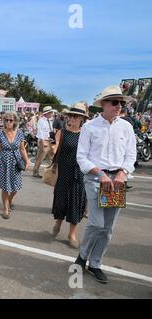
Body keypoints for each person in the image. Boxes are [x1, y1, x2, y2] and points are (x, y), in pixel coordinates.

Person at [74, 86, 136, 284]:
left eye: (122, 102)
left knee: (108, 228)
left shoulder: (126, 127)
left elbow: (131, 155)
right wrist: (99, 174)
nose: (119, 106)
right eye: (115, 102)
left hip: (117, 181)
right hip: (95, 178)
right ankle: (82, 256)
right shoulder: (90, 127)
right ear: (103, 104)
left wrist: (123, 172)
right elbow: (81, 157)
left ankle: (95, 263)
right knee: (96, 223)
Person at [51, 103, 88, 248]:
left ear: (81, 119)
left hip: (79, 173)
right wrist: (52, 149)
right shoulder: (62, 132)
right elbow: (56, 146)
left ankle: (72, 233)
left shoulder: (85, 134)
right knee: (61, 200)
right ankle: (58, 221)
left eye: (75, 116)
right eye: (70, 115)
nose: (71, 118)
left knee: (76, 202)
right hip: (64, 171)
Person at [0, 112, 30, 219]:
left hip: (15, 163)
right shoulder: (0, 134)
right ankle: (5, 209)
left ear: (15, 122)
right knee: (5, 187)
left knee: (16, 187)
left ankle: (9, 200)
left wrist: (27, 161)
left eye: (11, 120)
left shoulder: (19, 133)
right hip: (3, 163)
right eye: (7, 120)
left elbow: (22, 149)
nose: (8, 122)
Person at [32, 106, 56, 178]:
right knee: (41, 157)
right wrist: (43, 142)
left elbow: (50, 130)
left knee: (51, 156)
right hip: (43, 140)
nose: (52, 114)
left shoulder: (50, 120)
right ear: (47, 113)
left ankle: (53, 172)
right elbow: (40, 132)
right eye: (51, 112)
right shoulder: (41, 120)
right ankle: (35, 171)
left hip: (49, 140)